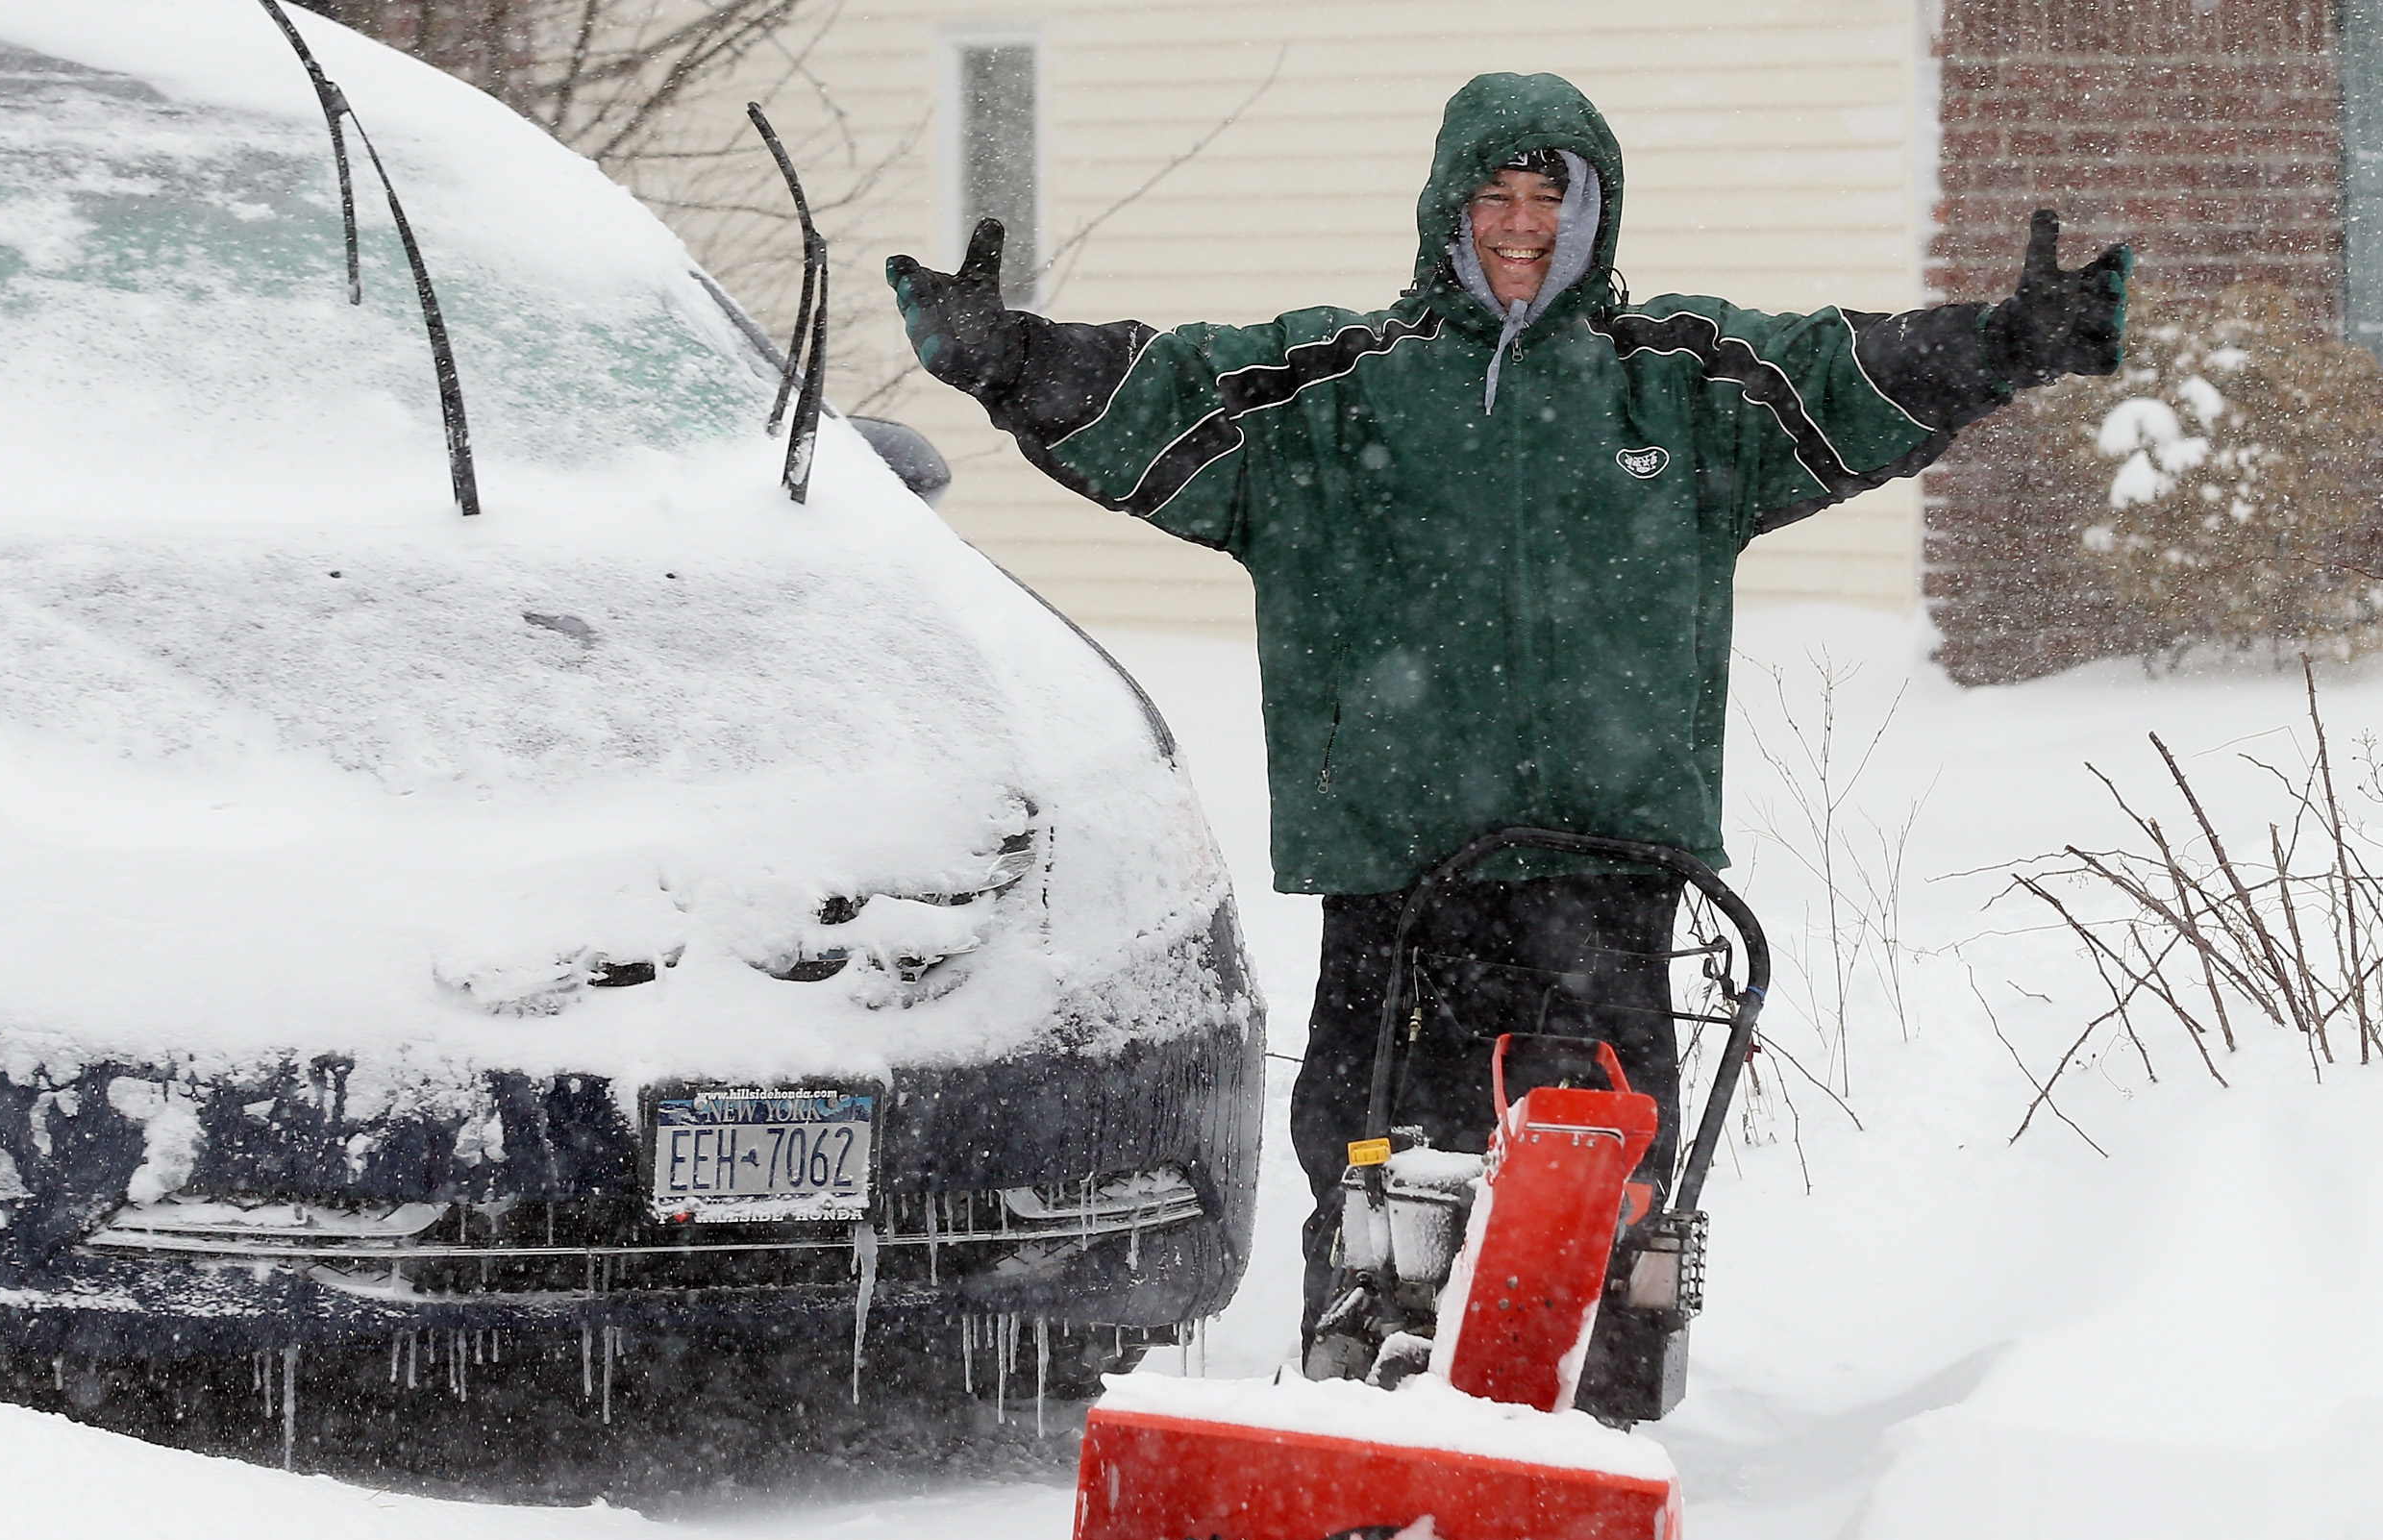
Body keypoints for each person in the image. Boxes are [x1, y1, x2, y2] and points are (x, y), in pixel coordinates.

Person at [885, 70, 2128, 1363]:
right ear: (1449, 209)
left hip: (1607, 868)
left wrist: (2010, 340)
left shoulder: (1685, 387)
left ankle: (1595, 1413)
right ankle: (1364, 1397)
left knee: (1602, 1170)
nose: (1522, 223)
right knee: (1382, 1178)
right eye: (1497, 195)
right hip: (1402, 872)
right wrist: (1009, 358)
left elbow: (1850, 375)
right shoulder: (1337, 392)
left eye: (1552, 196)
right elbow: (1158, 397)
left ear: (1595, 214)